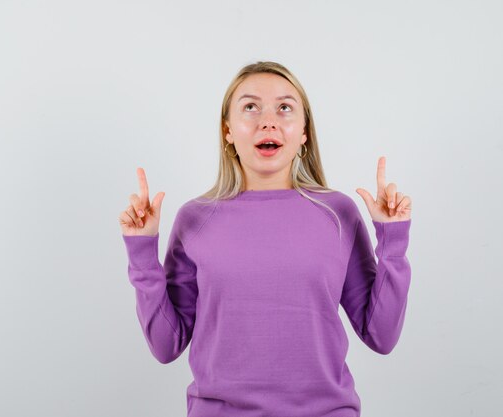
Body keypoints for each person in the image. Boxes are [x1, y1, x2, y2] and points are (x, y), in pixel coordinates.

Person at [118, 61, 412, 417]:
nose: (268, 121)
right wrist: (142, 251)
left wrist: (392, 239)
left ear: (304, 131)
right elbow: (166, 346)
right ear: (228, 130)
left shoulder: (338, 213)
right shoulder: (195, 219)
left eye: (285, 108)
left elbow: (381, 336)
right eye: (250, 107)